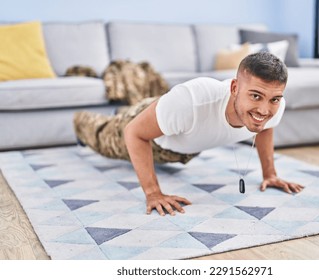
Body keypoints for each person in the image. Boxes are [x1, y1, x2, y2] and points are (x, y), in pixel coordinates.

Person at [74, 51, 304, 216]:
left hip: (180, 136)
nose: (265, 110)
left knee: (160, 116)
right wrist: (153, 193)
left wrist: (270, 174)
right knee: (99, 135)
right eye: (255, 96)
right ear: (235, 88)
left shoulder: (275, 106)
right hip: (152, 139)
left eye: (273, 99)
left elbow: (265, 129)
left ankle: (125, 111)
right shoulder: (192, 100)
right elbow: (134, 133)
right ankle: (82, 121)